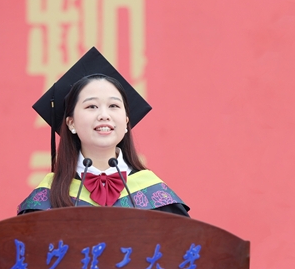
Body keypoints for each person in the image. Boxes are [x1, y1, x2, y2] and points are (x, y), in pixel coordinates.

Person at [18, 47, 189, 217]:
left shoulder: (154, 193)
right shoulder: (49, 196)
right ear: (71, 123)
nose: (104, 115)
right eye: (91, 106)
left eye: (113, 106)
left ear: (126, 121)